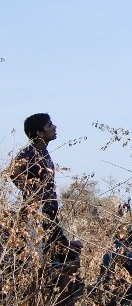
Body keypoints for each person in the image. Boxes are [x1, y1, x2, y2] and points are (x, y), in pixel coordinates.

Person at [5, 113, 81, 275]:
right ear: (39, 133)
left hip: (49, 218)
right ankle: (38, 296)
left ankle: (57, 297)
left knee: (71, 255)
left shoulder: (43, 152)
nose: (54, 127)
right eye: (49, 125)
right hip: (36, 217)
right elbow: (12, 171)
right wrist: (32, 194)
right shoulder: (30, 151)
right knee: (37, 264)